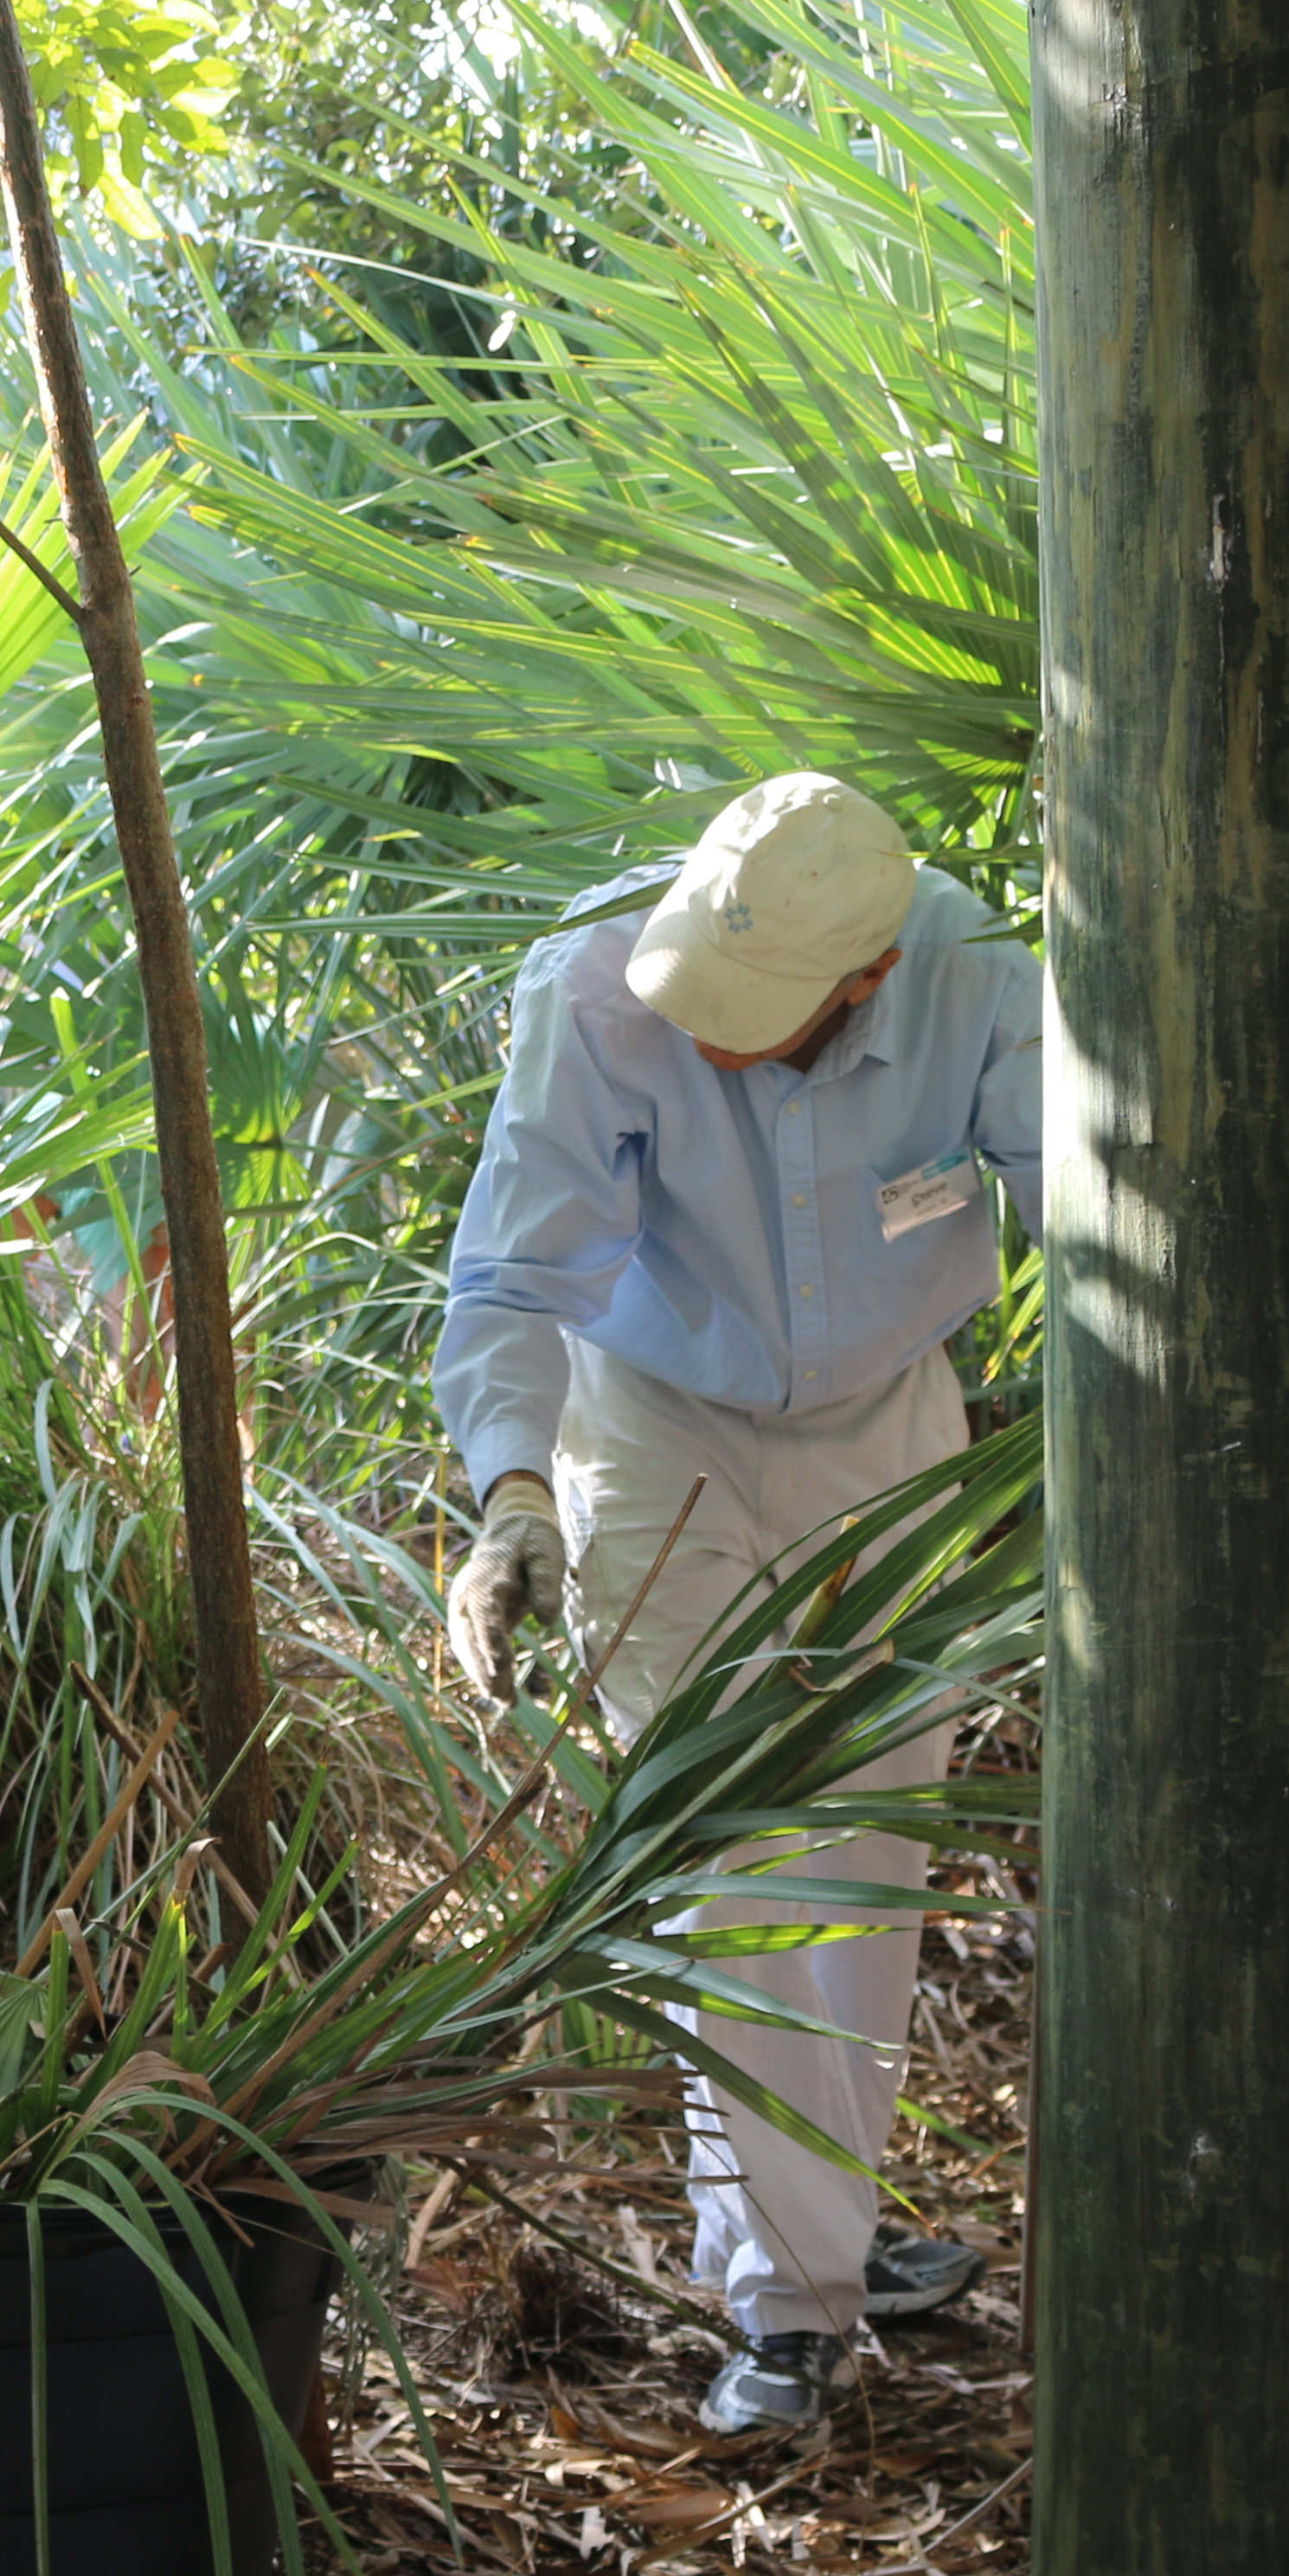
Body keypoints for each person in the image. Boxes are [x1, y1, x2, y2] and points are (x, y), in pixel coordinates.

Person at [435, 772, 1042, 2439]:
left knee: (863, 1842)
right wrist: (507, 1499)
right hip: (653, 1428)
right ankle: (794, 2303)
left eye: (754, 1019)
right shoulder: (594, 990)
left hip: (894, 1431)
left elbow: (1093, 1208)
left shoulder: (976, 978)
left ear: (866, 983)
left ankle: (810, 2229)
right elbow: (512, 1279)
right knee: (737, 1858)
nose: (707, 1039)